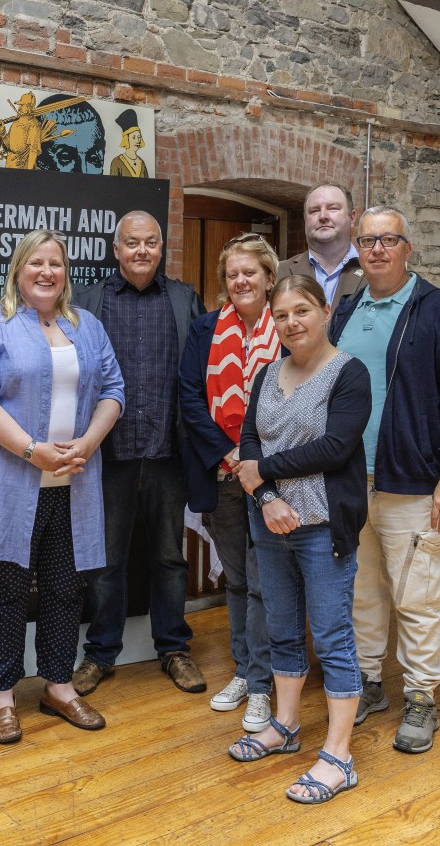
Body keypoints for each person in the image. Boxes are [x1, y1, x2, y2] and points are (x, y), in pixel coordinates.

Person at [0, 229, 124, 745]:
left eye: (55, 263)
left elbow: (113, 390)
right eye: (36, 263)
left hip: (73, 481)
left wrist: (90, 441)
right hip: (13, 482)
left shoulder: (87, 326)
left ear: (66, 273)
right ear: (18, 270)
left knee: (65, 587)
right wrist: (34, 450)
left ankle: (58, 686)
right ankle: (2, 698)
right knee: (7, 590)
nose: (47, 272)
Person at [329, 206, 440, 754]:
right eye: (367, 241)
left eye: (388, 240)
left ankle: (421, 698)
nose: (377, 250)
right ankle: (370, 683)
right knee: (362, 593)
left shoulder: (437, 310)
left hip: (412, 483)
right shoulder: (346, 310)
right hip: (351, 481)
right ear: (357, 249)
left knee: (417, 596)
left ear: (407, 249)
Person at [230, 275, 370, 804]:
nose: (291, 323)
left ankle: (339, 756)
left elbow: (335, 448)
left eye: (302, 311)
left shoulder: (349, 373)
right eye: (282, 315)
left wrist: (261, 471)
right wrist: (266, 497)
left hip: (322, 526)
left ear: (325, 311)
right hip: (270, 523)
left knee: (332, 638)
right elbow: (248, 436)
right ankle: (286, 726)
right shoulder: (267, 373)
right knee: (283, 628)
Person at [71, 211, 207, 698]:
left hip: (168, 453)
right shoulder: (87, 301)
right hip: (108, 456)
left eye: (151, 242)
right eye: (132, 243)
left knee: (169, 557)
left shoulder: (184, 298)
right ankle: (100, 653)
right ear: (116, 249)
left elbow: (201, 371)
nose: (142, 251)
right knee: (106, 561)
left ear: (161, 248)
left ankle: (173, 648)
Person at [179, 233, 279, 732]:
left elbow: (304, 397)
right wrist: (231, 452)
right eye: (232, 273)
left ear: (269, 278)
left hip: (274, 477)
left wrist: (257, 458)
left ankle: (263, 683)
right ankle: (244, 670)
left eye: (250, 272)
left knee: (265, 582)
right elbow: (190, 398)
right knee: (237, 581)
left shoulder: (288, 326)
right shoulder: (204, 329)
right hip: (223, 474)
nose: (241, 281)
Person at [277, 184, 366, 306]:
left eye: (333, 208)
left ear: (352, 217)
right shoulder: (278, 272)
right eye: (314, 211)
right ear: (305, 220)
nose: (323, 216)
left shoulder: (374, 271)